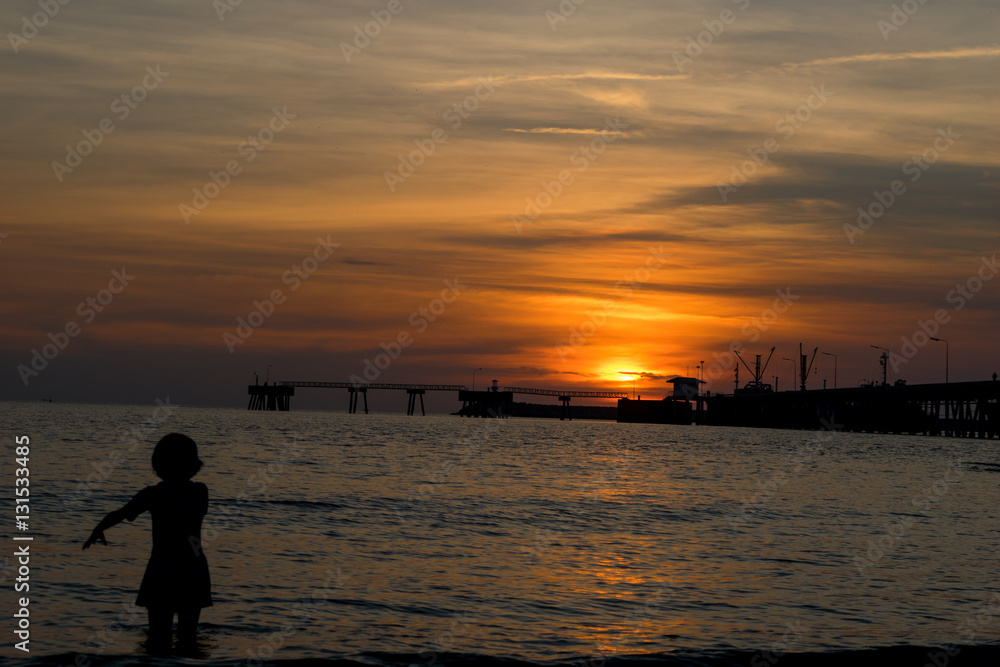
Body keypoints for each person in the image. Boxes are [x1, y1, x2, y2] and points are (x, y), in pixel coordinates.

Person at [83, 433, 213, 648]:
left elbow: (122, 513)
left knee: (157, 638)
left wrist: (99, 527)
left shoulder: (153, 495)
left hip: (162, 569)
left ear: (158, 466)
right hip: (193, 569)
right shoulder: (200, 492)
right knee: (188, 638)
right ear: (194, 465)